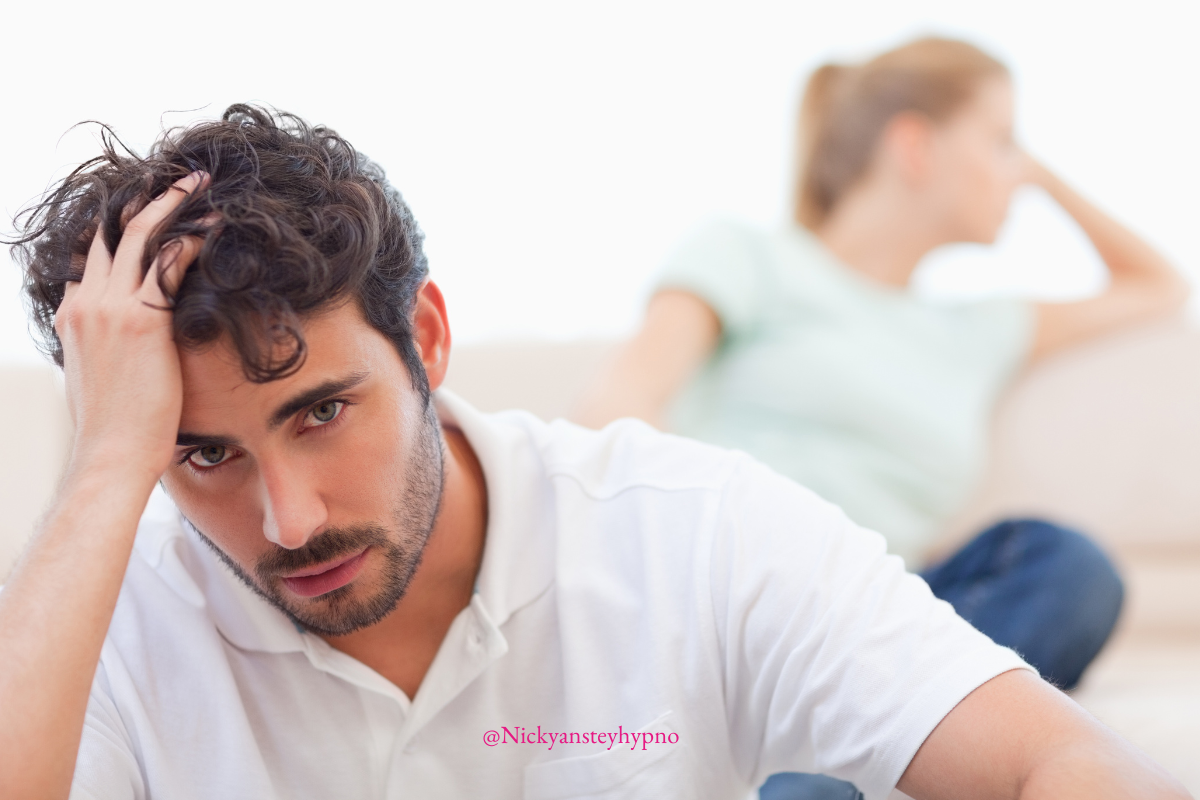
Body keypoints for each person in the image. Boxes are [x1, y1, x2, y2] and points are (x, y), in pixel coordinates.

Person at [0, 105, 1189, 800]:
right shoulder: (108, 618)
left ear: (426, 338)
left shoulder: (689, 524)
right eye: (201, 453)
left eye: (320, 411)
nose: (292, 518)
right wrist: (109, 470)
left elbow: (1061, 763)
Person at [573, 37, 1190, 800]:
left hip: (883, 620)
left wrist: (1035, 171)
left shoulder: (980, 329)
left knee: (1067, 564)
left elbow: (1159, 284)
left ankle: (859, 748)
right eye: (1000, 141)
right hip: (738, 598)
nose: (1014, 174)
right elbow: (622, 403)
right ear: (913, 145)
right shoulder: (752, 256)